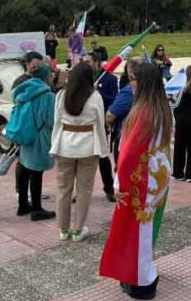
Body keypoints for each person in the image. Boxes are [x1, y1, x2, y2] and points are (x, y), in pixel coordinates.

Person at [100, 63, 173, 300]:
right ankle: (140, 275)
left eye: (133, 79)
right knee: (144, 229)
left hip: (139, 181)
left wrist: (118, 183)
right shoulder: (162, 109)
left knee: (135, 232)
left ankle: (142, 281)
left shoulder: (144, 114)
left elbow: (130, 154)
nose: (129, 83)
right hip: (156, 179)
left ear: (142, 83)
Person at [50, 63, 108, 242]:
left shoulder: (61, 95)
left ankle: (63, 229)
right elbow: (100, 124)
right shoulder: (95, 97)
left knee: (63, 189)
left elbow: (57, 121)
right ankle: (77, 230)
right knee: (84, 190)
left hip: (64, 145)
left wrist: (55, 144)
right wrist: (103, 149)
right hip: (88, 147)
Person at [12, 57, 57, 221]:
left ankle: (23, 204)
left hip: (24, 134)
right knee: (37, 172)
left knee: (24, 169)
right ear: (45, 76)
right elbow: (51, 120)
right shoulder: (47, 95)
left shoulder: (23, 91)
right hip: (40, 137)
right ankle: (37, 209)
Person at [83, 52, 118, 202]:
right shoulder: (81, 77)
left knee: (103, 157)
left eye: (88, 62)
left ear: (97, 63)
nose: (85, 65)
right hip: (83, 124)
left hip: (100, 123)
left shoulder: (109, 79)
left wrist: (98, 92)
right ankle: (82, 190)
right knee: (83, 159)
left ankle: (109, 189)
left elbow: (114, 100)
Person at [107, 58, 142, 164]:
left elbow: (110, 115)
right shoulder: (151, 87)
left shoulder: (129, 91)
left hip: (126, 136)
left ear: (130, 70)